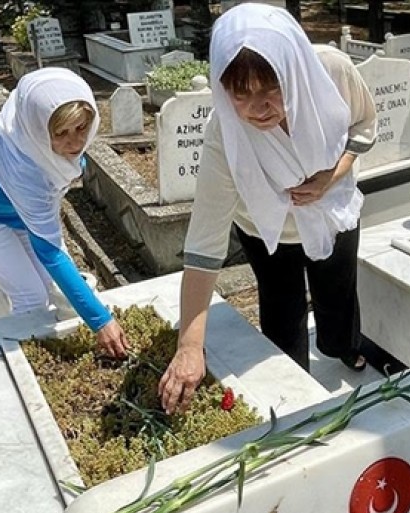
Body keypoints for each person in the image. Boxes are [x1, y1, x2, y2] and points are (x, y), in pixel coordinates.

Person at [158, 4, 383, 415]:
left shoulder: (330, 71)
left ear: (293, 71)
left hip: (333, 213)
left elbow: (364, 125)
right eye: (241, 92)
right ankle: (293, 385)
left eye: (271, 88)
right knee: (281, 306)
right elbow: (205, 242)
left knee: (338, 290)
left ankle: (343, 346)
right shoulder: (223, 134)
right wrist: (189, 347)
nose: (258, 107)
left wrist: (329, 178)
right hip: (265, 229)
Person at [0, 68, 129, 358]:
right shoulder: (21, 160)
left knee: (53, 287)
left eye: (81, 128)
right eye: (61, 134)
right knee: (30, 295)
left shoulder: (31, 119)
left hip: (21, 209)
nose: (75, 142)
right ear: (38, 128)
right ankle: (30, 360)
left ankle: (44, 348)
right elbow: (50, 250)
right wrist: (100, 320)